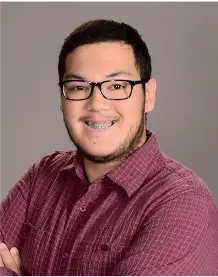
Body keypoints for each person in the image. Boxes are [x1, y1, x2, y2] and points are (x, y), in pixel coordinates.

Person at [0, 19, 218, 277]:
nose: (97, 104)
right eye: (79, 87)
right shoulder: (41, 177)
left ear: (148, 95)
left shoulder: (183, 202)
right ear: (62, 98)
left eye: (117, 86)